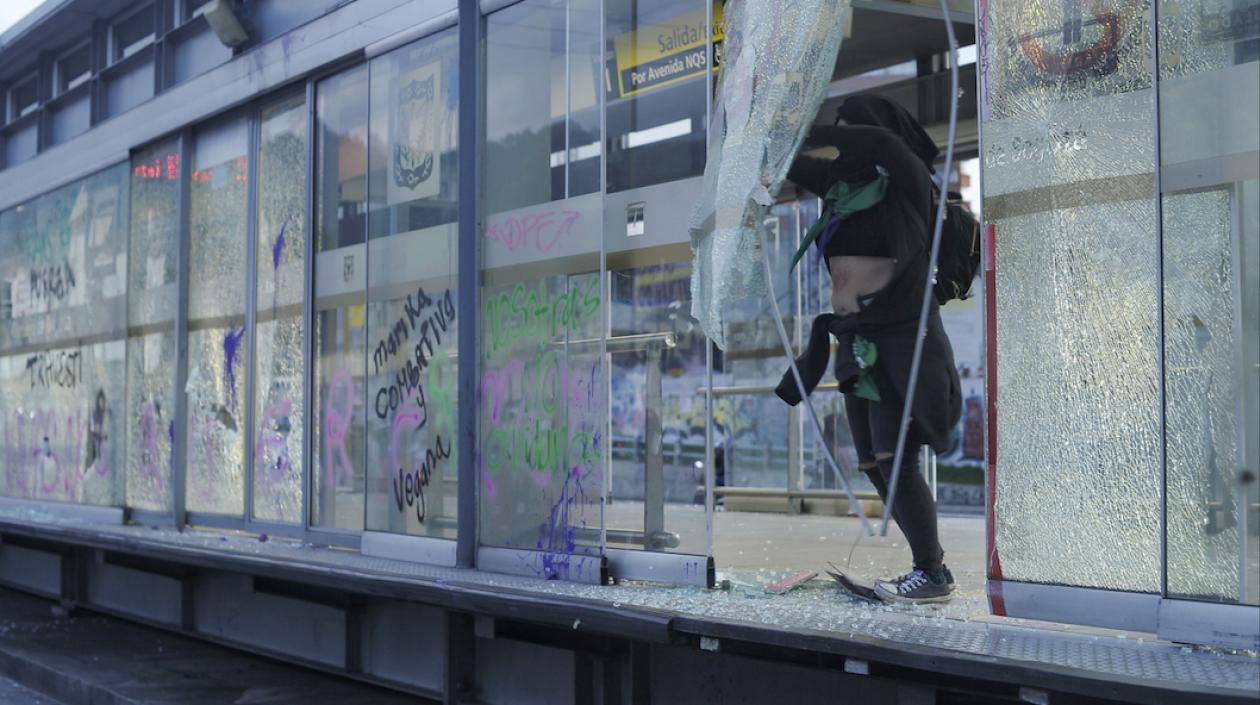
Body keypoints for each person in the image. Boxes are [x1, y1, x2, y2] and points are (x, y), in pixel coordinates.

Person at [778, 95, 962, 603]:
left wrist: (818, 131)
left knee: (893, 456)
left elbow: (882, 143)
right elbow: (790, 164)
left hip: (901, 341)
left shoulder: (907, 186)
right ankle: (927, 565)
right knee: (873, 462)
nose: (843, 144)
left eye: (849, 131)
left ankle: (932, 571)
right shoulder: (841, 190)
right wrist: (762, 132)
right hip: (855, 341)